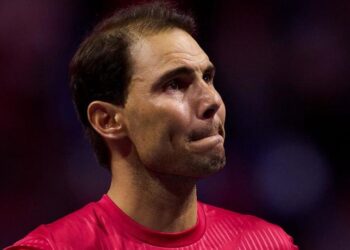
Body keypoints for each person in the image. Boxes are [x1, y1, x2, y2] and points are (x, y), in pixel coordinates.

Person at [7, 2, 298, 249]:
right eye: (174, 84)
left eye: (207, 78)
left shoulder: (267, 243)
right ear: (108, 120)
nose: (212, 101)